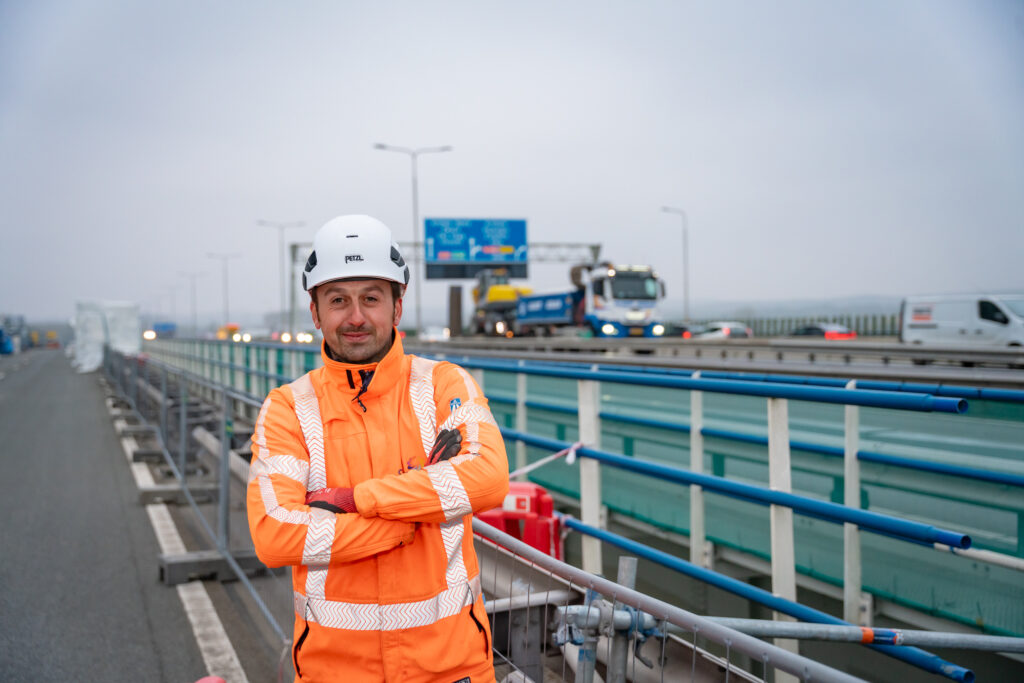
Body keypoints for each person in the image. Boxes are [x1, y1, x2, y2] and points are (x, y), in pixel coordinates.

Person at [247, 214, 510, 682]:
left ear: (396, 307)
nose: (355, 317)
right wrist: (407, 521)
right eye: (338, 300)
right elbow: (274, 534)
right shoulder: (288, 408)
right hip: (337, 671)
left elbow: (487, 477)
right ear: (315, 312)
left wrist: (358, 499)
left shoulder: (442, 385)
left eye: (371, 298)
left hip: (452, 668)